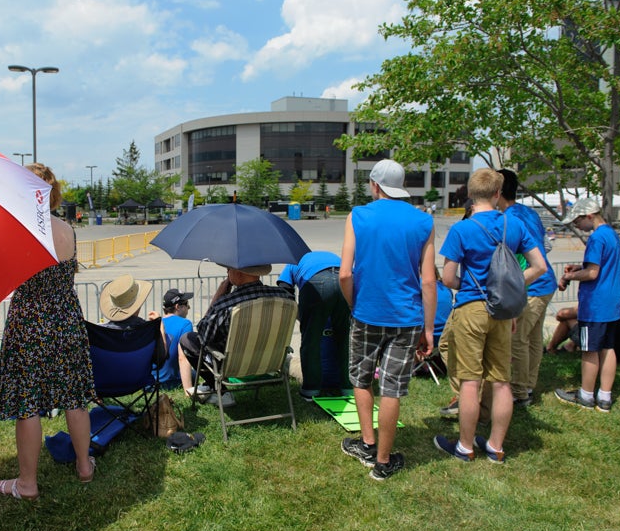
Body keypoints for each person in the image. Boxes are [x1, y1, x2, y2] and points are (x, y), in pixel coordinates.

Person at [0, 162, 96, 501]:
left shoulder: (17, 232)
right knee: (74, 397)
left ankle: (27, 482)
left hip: (30, 325)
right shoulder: (68, 229)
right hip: (66, 319)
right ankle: (84, 465)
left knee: (29, 404)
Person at [434, 168, 545, 464]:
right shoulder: (515, 225)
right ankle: (496, 447)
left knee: (470, 381)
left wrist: (468, 285)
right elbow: (539, 267)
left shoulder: (462, 229)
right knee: (501, 381)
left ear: (470, 194)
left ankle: (465, 446)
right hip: (503, 310)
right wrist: (511, 285)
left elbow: (447, 278)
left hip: (472, 308)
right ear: (498, 194)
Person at [339, 159, 437, 481]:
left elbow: (344, 275)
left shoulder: (358, 216)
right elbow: (428, 281)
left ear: (375, 185)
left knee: (361, 378)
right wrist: (428, 328)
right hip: (406, 318)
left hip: (366, 312)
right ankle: (383, 462)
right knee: (391, 388)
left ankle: (367, 443)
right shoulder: (423, 221)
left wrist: (356, 304)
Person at [179, 263, 295, 408]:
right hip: (271, 361)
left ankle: (221, 392)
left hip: (234, 365)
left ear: (237, 274)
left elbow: (204, 335)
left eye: (228, 270)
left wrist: (217, 297)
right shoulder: (283, 297)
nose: (227, 273)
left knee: (188, 339)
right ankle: (210, 387)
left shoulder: (226, 303)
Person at [554, 198, 620, 412]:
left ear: (590, 216)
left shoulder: (596, 238)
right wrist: (581, 267)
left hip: (595, 305)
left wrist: (569, 277)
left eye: (577, 220)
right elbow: (600, 267)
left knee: (589, 350)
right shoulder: (611, 234)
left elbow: (592, 273)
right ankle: (604, 396)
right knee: (608, 348)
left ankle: (585, 395)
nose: (576, 225)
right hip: (611, 302)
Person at [497, 169, 556, 407]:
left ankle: (520, 392)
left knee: (517, 340)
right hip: (546, 282)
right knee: (533, 339)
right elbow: (546, 246)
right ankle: (529, 385)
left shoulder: (509, 218)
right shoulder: (528, 212)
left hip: (531, 284)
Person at [276, 251, 349, 401]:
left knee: (311, 341)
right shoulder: (329, 256)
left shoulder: (293, 262)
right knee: (345, 340)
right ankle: (348, 388)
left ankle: (310, 390)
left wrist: (305, 319)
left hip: (317, 282)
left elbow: (285, 294)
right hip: (346, 278)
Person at [99, 274, 168, 366]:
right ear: (138, 304)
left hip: (108, 379)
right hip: (141, 379)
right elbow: (160, 360)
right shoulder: (147, 330)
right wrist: (160, 328)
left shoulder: (101, 333)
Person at [148, 288, 194, 391]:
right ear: (177, 306)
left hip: (149, 383)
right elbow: (183, 358)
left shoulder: (154, 323)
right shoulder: (185, 324)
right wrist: (188, 390)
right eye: (186, 304)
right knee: (195, 373)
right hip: (169, 383)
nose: (189, 307)